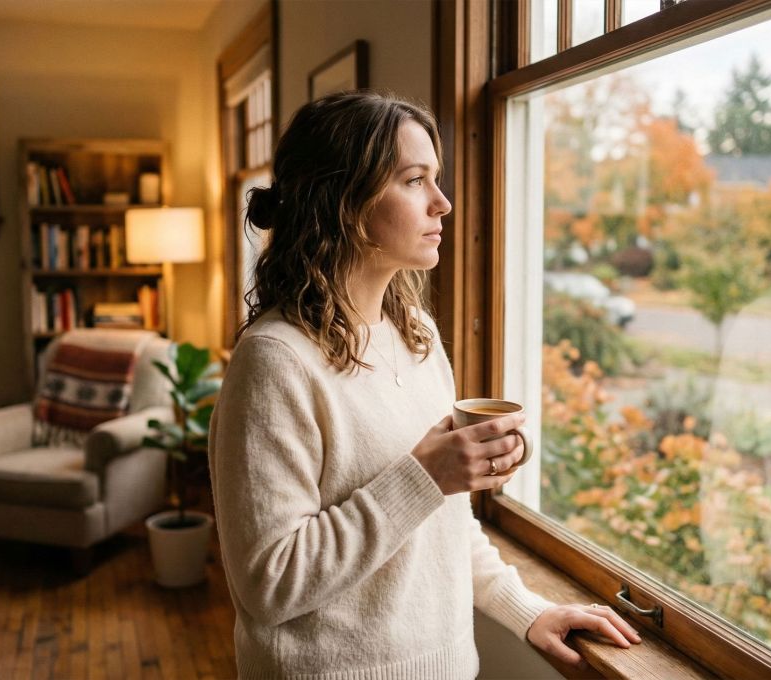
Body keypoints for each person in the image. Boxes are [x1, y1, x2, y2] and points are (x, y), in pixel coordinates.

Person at [209, 91, 640, 679]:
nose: (444, 203)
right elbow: (270, 582)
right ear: (343, 201)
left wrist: (528, 610)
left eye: (435, 179)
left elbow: (442, 525)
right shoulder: (275, 362)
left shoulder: (414, 337)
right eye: (415, 180)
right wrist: (426, 475)